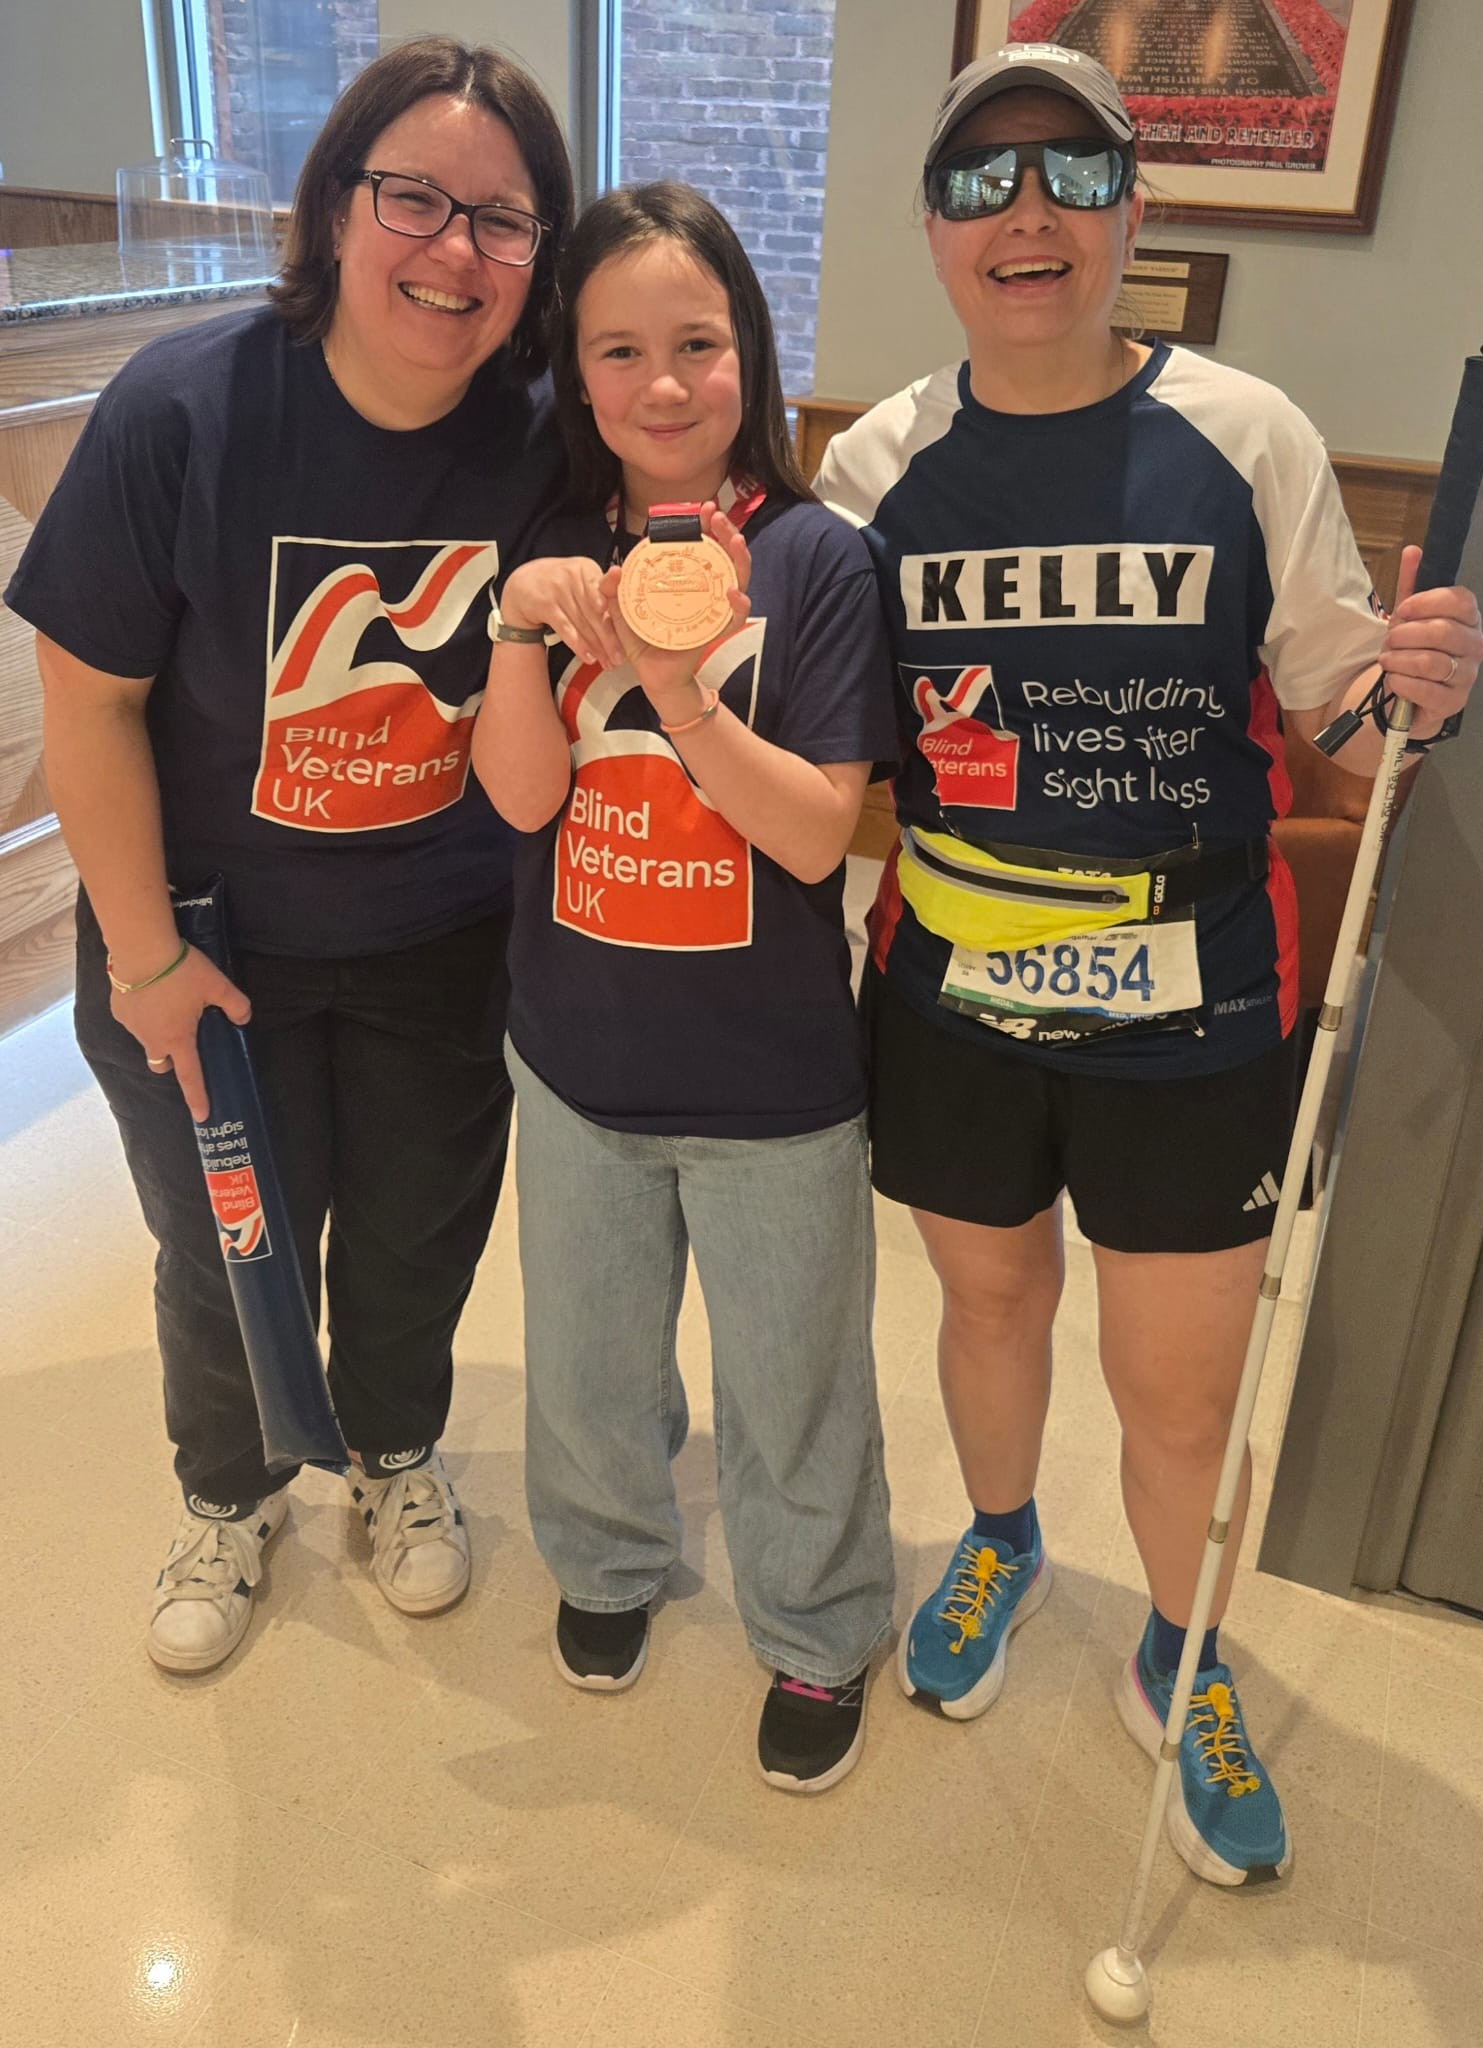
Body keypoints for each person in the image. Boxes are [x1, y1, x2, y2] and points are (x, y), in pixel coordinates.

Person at [819, 42, 1483, 1880]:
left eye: (1066, 173)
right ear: (937, 231)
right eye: (976, 183)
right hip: (953, 983)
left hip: (1192, 1000)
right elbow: (831, 737)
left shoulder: (1246, 434)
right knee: (985, 1306)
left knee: (1178, 1385)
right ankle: (1003, 1539)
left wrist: (1414, 687)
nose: (1021, 214)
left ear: (1135, 208)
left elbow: (1346, 728)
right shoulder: (877, 461)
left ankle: (1181, 1656)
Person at [4, 38, 574, 1674]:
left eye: (503, 220)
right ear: (335, 208)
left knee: (414, 1229)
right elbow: (90, 703)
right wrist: (144, 964)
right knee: (221, 1243)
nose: (453, 249)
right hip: (204, 948)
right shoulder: (184, 408)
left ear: (535, 259)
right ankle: (231, 1487)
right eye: (414, 198)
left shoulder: (543, 439)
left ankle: (396, 1459)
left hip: (443, 941)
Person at [470, 182, 898, 1793]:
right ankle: (605, 1561)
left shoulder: (818, 563)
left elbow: (811, 838)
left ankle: (815, 1617)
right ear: (575, 378)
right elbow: (519, 801)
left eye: (698, 343)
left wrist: (674, 691)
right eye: (621, 350)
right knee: (584, 1357)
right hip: (575, 1060)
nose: (664, 384)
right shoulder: (551, 556)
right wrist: (523, 630)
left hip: (775, 1083)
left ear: (750, 351)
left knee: (793, 1380)